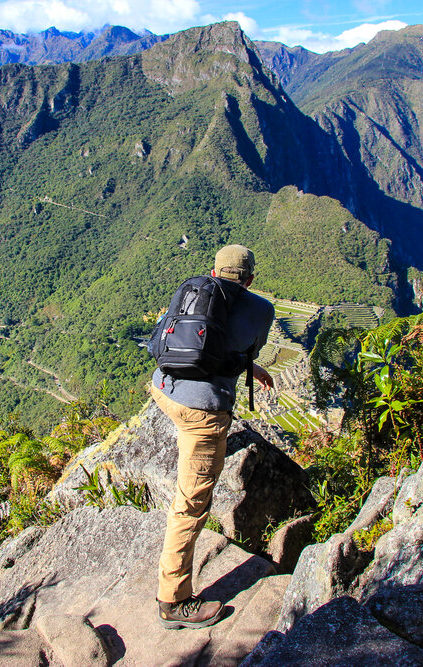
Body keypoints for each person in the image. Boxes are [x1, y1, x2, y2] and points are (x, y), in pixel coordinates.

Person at [149, 244, 275, 630]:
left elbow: (208, 343)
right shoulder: (262, 309)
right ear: (250, 279)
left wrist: (249, 369)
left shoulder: (195, 290)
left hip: (162, 388)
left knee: (189, 443)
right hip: (201, 412)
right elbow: (243, 342)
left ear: (215, 271)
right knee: (191, 505)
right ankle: (174, 602)